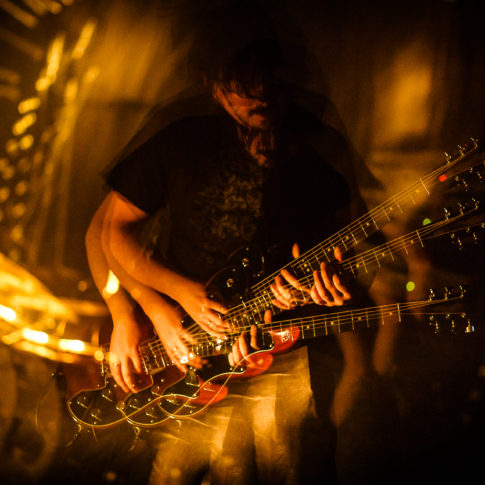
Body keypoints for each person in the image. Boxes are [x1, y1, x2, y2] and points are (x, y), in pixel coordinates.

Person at [85, 5, 386, 483]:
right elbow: (107, 233)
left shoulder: (318, 144)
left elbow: (354, 241)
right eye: (241, 91)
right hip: (186, 348)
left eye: (267, 87)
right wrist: (148, 307)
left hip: (282, 353)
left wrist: (334, 281)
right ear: (212, 83)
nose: (258, 99)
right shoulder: (181, 134)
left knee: (285, 465)